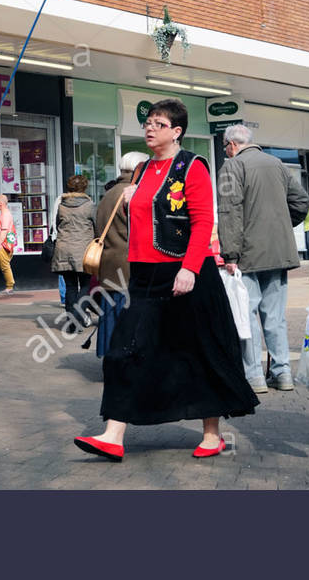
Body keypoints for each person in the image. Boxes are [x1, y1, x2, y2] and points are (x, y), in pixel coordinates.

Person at [74, 99, 258, 462]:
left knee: (199, 351)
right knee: (123, 349)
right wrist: (131, 197)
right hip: (144, 274)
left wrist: (189, 269)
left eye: (158, 123)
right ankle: (113, 434)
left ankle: (212, 434)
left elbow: (204, 221)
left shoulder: (193, 166)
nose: (150, 128)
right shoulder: (141, 171)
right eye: (148, 122)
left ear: (176, 131)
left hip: (188, 272)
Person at [217, 124, 309, 393]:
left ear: (232, 145)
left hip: (247, 254)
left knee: (245, 316)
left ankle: (255, 376)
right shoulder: (278, 164)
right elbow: (302, 202)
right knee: (275, 317)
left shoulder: (232, 167)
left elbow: (229, 212)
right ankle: (283, 374)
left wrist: (230, 254)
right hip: (278, 252)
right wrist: (281, 226)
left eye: (225, 147)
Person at [92, 152, 143, 356]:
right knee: (126, 318)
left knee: (109, 317)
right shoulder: (132, 193)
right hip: (128, 267)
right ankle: (123, 363)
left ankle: (109, 360)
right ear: (139, 169)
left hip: (108, 265)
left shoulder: (108, 194)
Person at [51, 175, 97, 330]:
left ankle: (72, 322)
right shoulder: (89, 205)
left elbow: (57, 225)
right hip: (84, 251)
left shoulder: (62, 205)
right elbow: (97, 227)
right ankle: (78, 316)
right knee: (85, 285)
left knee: (70, 286)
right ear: (84, 188)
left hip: (63, 250)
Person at [0, 194, 18, 295]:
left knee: (5, 265)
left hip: (3, 245)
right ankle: (9, 286)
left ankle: (9, 287)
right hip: (3, 244)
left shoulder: (6, 215)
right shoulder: (2, 214)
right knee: (4, 265)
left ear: (0, 204)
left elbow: (4, 230)